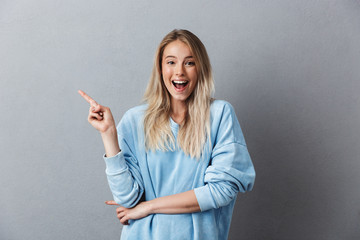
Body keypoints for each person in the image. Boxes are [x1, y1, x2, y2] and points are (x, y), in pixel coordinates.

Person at [78, 29, 255, 240]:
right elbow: (127, 198)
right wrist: (108, 135)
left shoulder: (220, 115)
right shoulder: (135, 120)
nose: (179, 71)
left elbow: (221, 191)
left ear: (201, 69)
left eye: (189, 62)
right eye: (171, 62)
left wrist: (149, 206)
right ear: (160, 69)